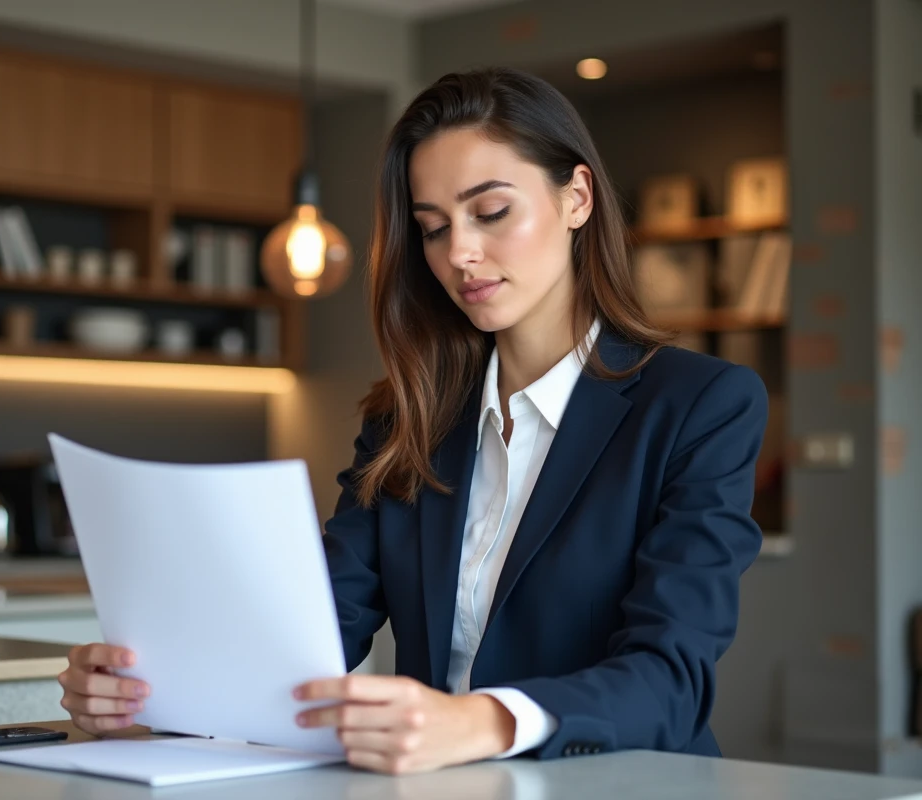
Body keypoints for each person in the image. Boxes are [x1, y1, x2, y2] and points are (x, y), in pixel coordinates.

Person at [57, 66, 768, 775]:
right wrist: (148, 689)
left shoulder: (701, 405)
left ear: (576, 198)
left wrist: (480, 721)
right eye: (433, 228)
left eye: (491, 212)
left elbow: (671, 679)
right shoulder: (409, 418)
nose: (459, 253)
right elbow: (315, 634)